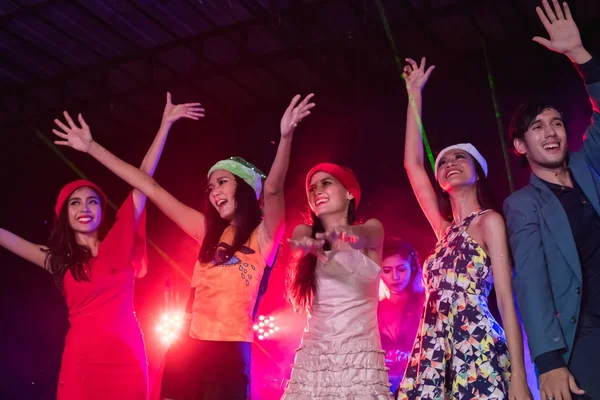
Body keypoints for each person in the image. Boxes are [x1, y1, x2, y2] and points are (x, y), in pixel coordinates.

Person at [52, 93, 315, 399]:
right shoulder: (206, 232)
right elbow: (148, 186)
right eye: (210, 186)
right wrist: (91, 147)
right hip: (186, 351)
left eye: (222, 182)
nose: (214, 191)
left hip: (228, 354)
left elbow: (273, 189)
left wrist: (285, 136)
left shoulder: (265, 235)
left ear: (244, 187)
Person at [0, 93, 202, 399]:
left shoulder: (119, 240)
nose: (84, 208)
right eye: (75, 203)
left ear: (101, 211)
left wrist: (165, 125)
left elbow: (144, 179)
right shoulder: (58, 259)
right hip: (81, 362)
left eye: (92, 201)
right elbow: (9, 238)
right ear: (64, 215)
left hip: (127, 357)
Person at [397, 57, 531, 399]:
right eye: (442, 161)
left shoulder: (489, 221)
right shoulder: (443, 232)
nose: (449, 164)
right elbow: (413, 165)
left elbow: (505, 298)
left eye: (460, 158)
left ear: (478, 171)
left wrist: (518, 377)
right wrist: (414, 96)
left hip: (476, 346)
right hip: (433, 348)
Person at [504, 1, 600, 399]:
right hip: (585, 337)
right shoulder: (523, 204)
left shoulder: (589, 163)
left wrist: (580, 56)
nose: (550, 132)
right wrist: (549, 362)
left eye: (557, 122)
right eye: (537, 126)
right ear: (520, 145)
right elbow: (531, 283)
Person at [282, 162, 393, 399]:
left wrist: (343, 234)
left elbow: (361, 236)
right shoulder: (304, 231)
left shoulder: (372, 228)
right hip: (314, 364)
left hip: (360, 366)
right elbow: (299, 243)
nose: (316, 191)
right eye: (312, 189)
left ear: (349, 193)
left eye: (326, 183)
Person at [377, 238, 425, 394]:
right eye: (387, 270)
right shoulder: (373, 309)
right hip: (380, 389)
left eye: (401, 269)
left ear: (412, 268)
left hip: (419, 386)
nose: (395, 277)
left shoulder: (425, 304)